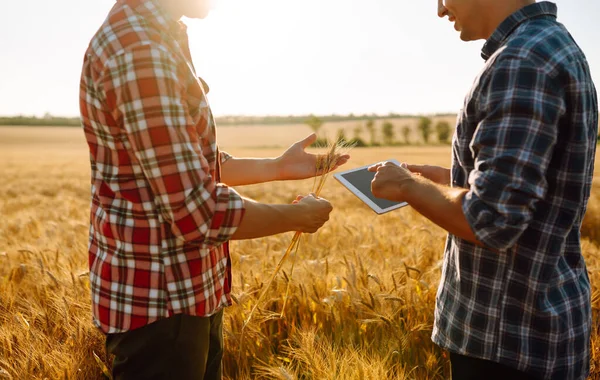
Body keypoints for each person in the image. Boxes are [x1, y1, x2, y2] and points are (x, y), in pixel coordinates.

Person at [79, 0, 349, 378]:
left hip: (184, 295)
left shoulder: (154, 37)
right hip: (163, 305)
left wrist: (277, 168)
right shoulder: (141, 52)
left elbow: (188, 165)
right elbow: (196, 213)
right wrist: (296, 217)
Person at [369, 1, 597, 379]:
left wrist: (408, 186)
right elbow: (532, 188)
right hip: (532, 332)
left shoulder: (522, 61)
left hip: (508, 344)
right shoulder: (549, 46)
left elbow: (490, 221)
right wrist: (445, 178)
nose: (441, 10)